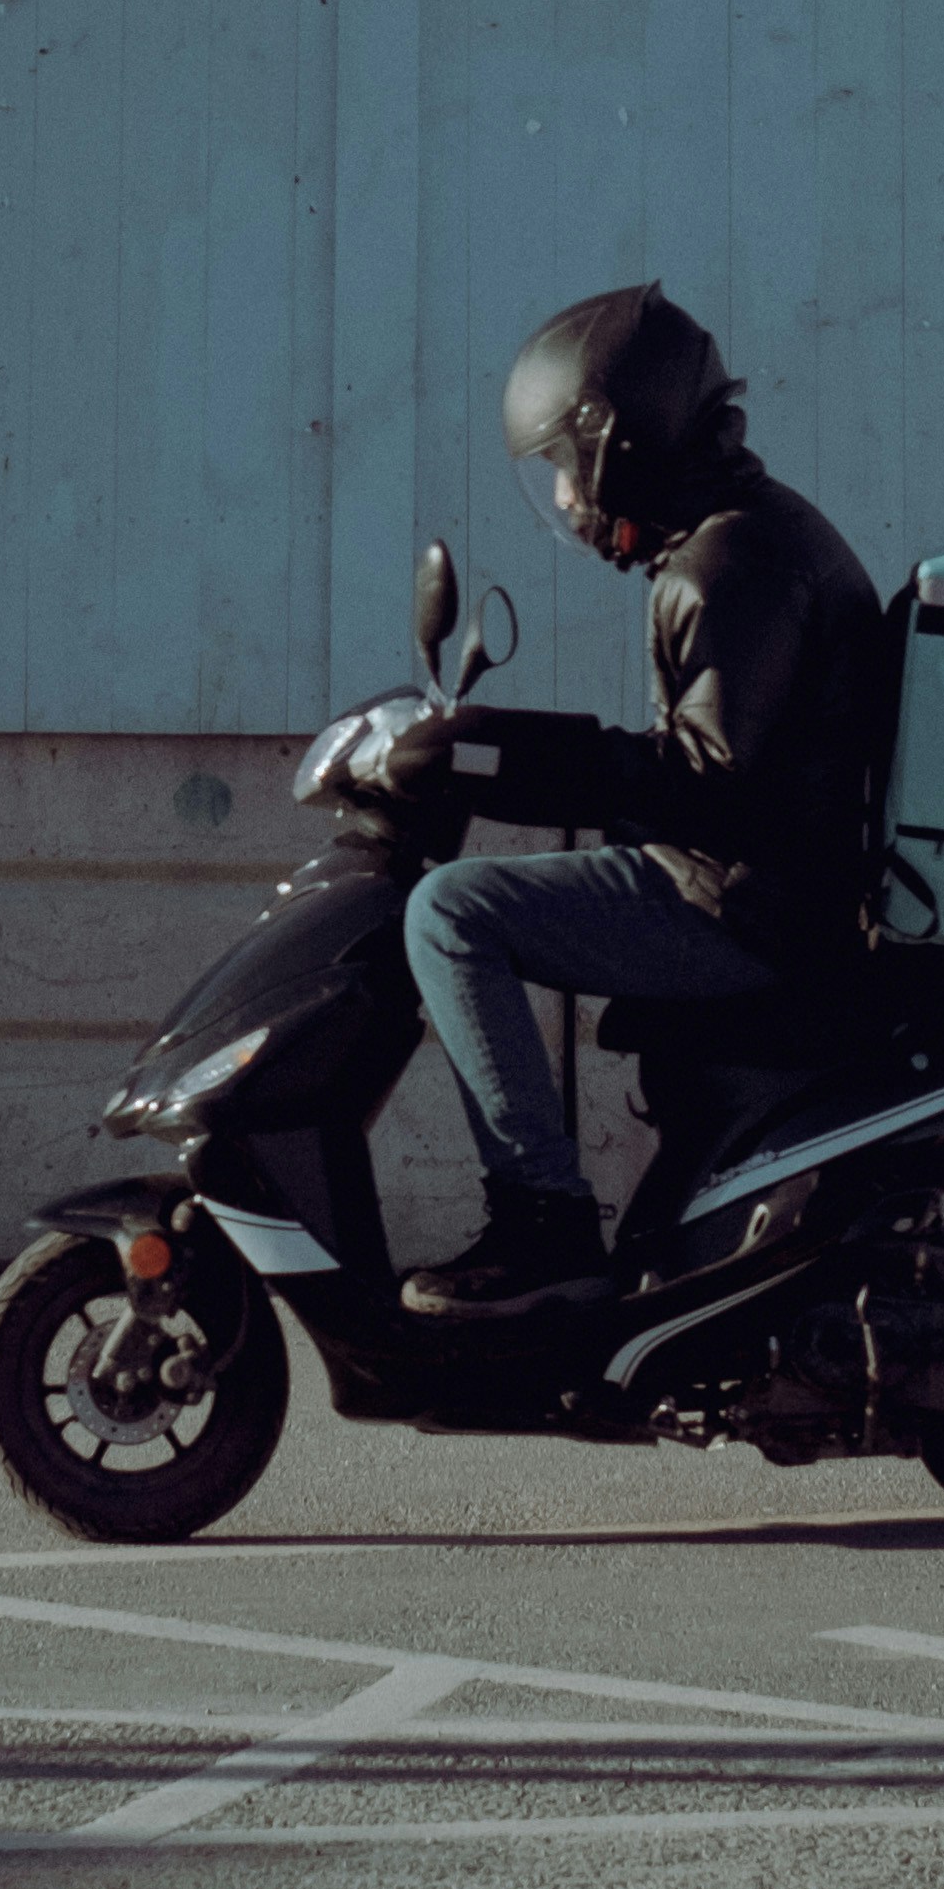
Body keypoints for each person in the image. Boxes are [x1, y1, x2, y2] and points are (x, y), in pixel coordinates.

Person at [377, 280, 887, 1319]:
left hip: (746, 907)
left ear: (621, 443)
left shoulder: (727, 561)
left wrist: (507, 757)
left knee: (451, 911)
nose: (566, 497)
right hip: (763, 886)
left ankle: (541, 1220)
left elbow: (702, 775)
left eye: (568, 466)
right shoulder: (740, 537)